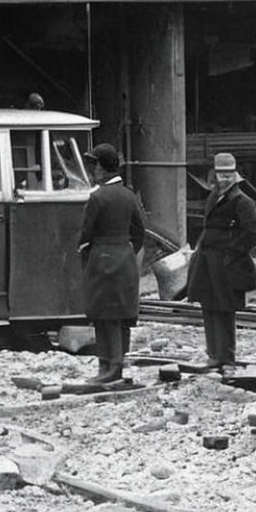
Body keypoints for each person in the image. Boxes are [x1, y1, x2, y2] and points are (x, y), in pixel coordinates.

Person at [185, 152, 256, 376]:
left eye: (229, 174)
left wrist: (232, 252)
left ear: (236, 174)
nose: (225, 179)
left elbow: (255, 233)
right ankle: (213, 356)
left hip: (225, 264)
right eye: (222, 174)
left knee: (225, 310)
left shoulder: (242, 201)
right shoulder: (213, 196)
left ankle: (227, 358)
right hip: (208, 260)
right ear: (216, 174)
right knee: (208, 306)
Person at [77, 143, 146, 383]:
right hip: (124, 258)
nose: (92, 170)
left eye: (93, 164)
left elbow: (85, 234)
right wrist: (126, 251)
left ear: (101, 167)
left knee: (103, 314)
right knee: (120, 315)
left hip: (101, 257)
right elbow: (140, 232)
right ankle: (114, 365)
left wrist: (91, 253)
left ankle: (107, 366)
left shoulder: (97, 197)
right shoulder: (129, 195)